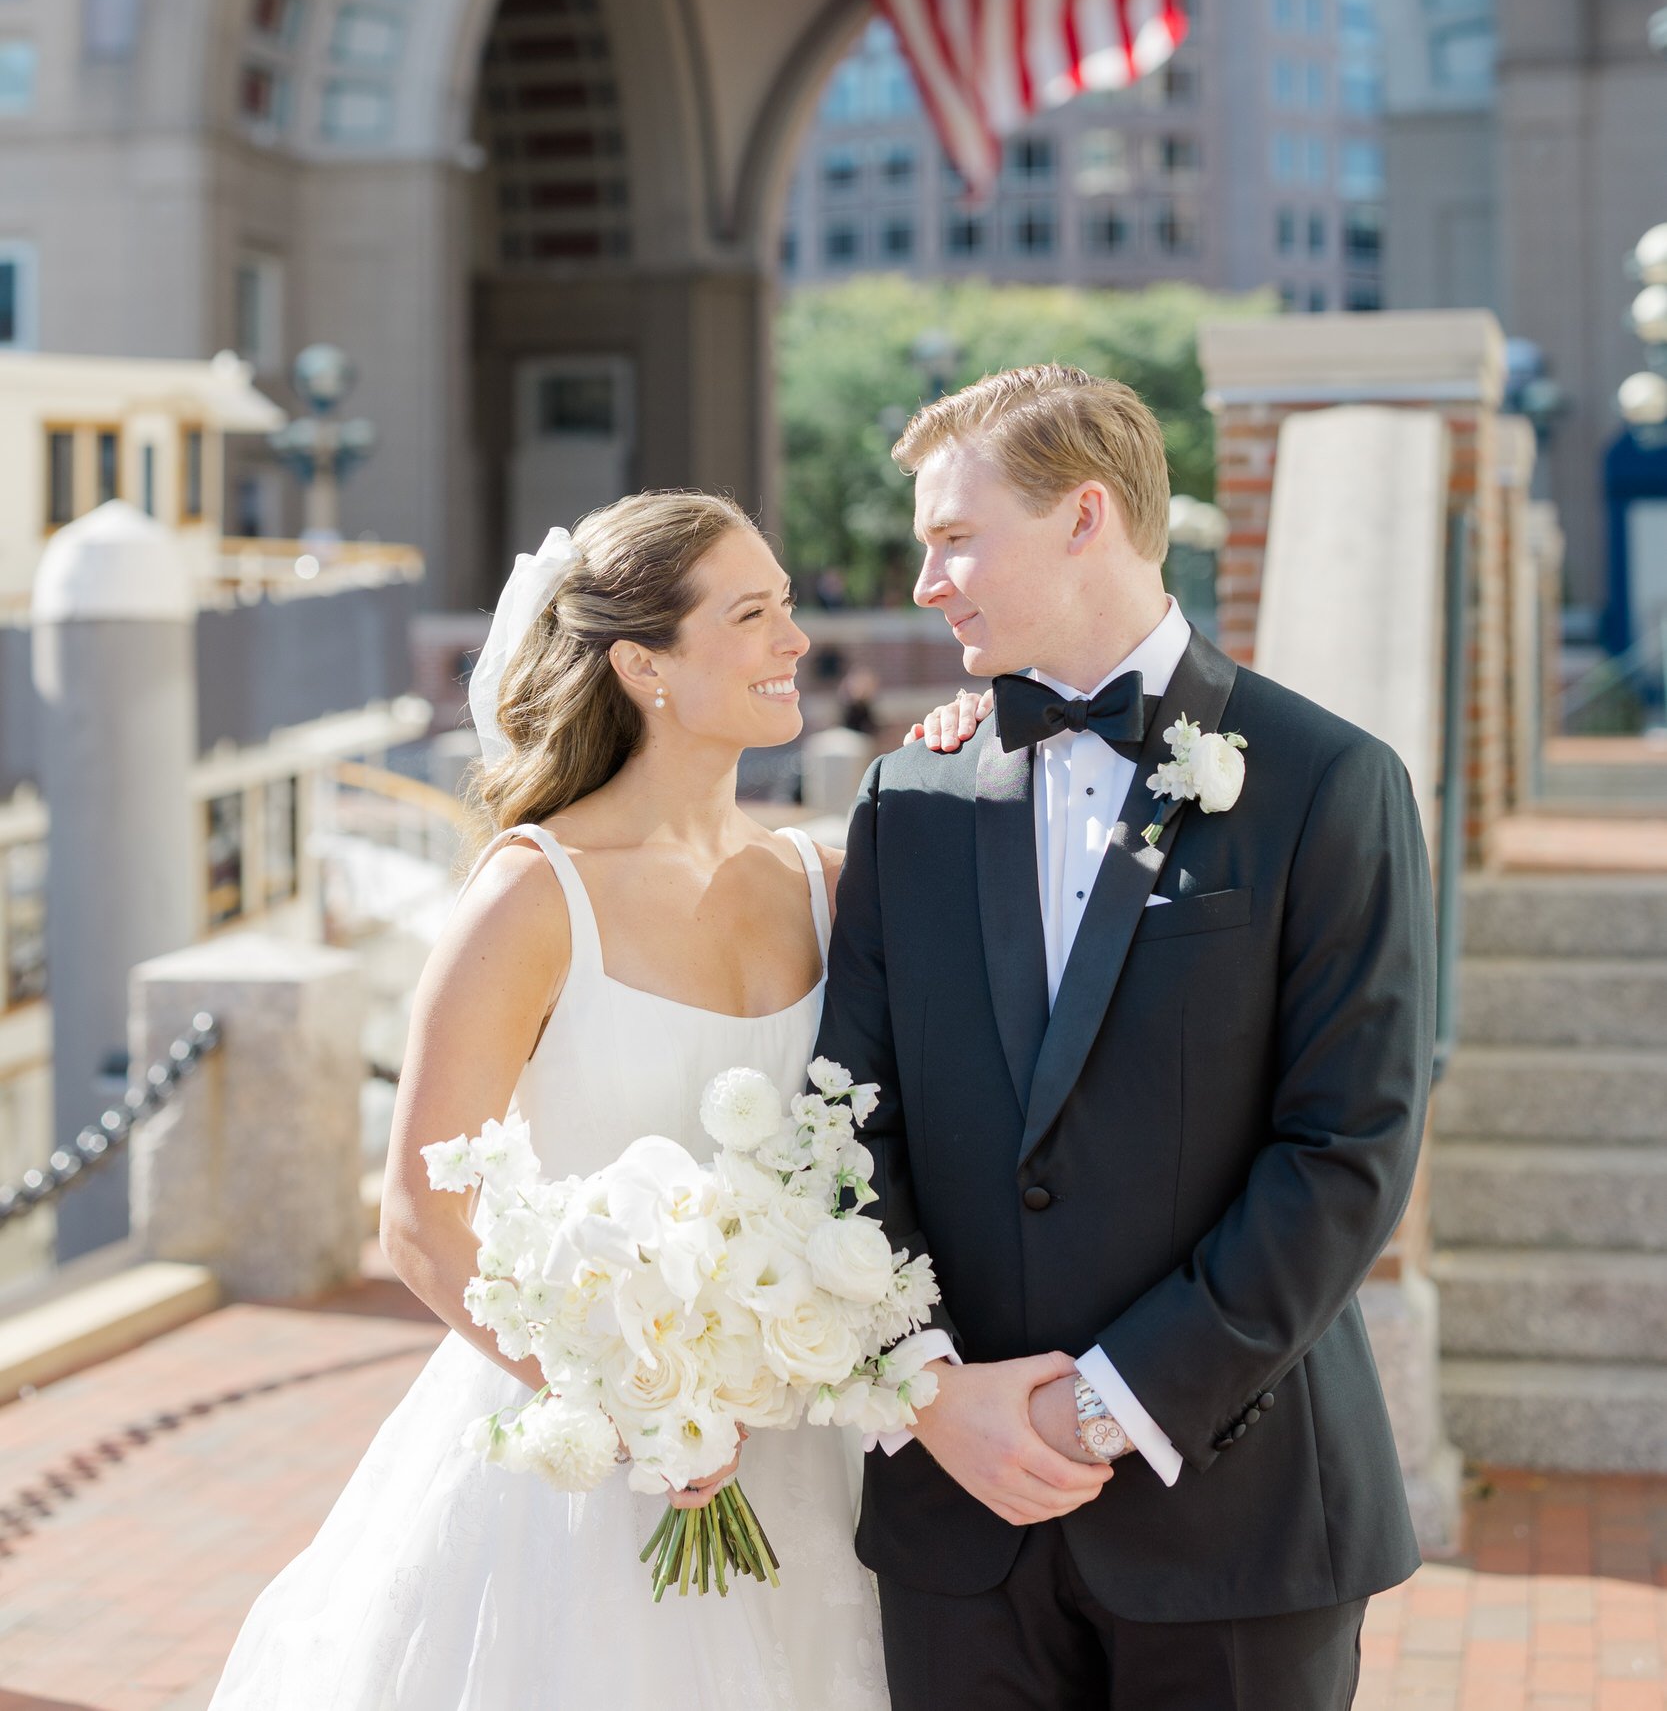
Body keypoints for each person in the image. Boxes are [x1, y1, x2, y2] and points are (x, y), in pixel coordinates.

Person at [209, 491, 893, 1711]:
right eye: (753, 613)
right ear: (644, 666)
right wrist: (640, 1406)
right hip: (578, 1460)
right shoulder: (532, 897)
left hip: (802, 1450)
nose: (796, 639)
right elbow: (421, 1219)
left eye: (787, 607)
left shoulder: (825, 882)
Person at [817, 364, 1435, 1711]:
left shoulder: (1328, 785)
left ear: (1083, 516)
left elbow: (1345, 1149)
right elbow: (843, 1126)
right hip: (955, 1523)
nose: (926, 579)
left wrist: (1104, 1404)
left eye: (953, 536)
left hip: (1238, 1513)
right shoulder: (903, 796)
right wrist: (927, 1389)